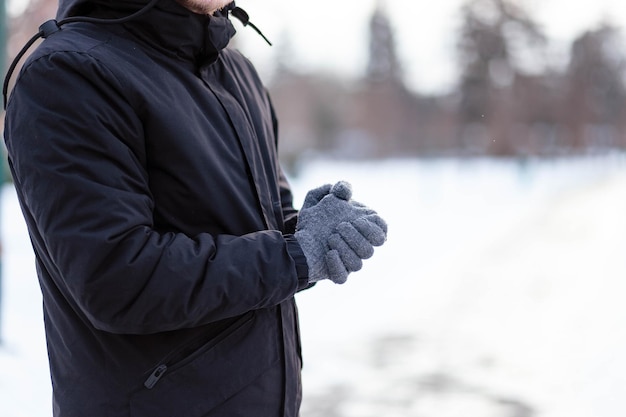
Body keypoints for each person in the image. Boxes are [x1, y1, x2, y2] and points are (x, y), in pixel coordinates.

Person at [3, 0, 388, 416]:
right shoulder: (70, 75)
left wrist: (308, 231)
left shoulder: (238, 73)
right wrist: (295, 255)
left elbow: (263, 222)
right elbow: (118, 279)